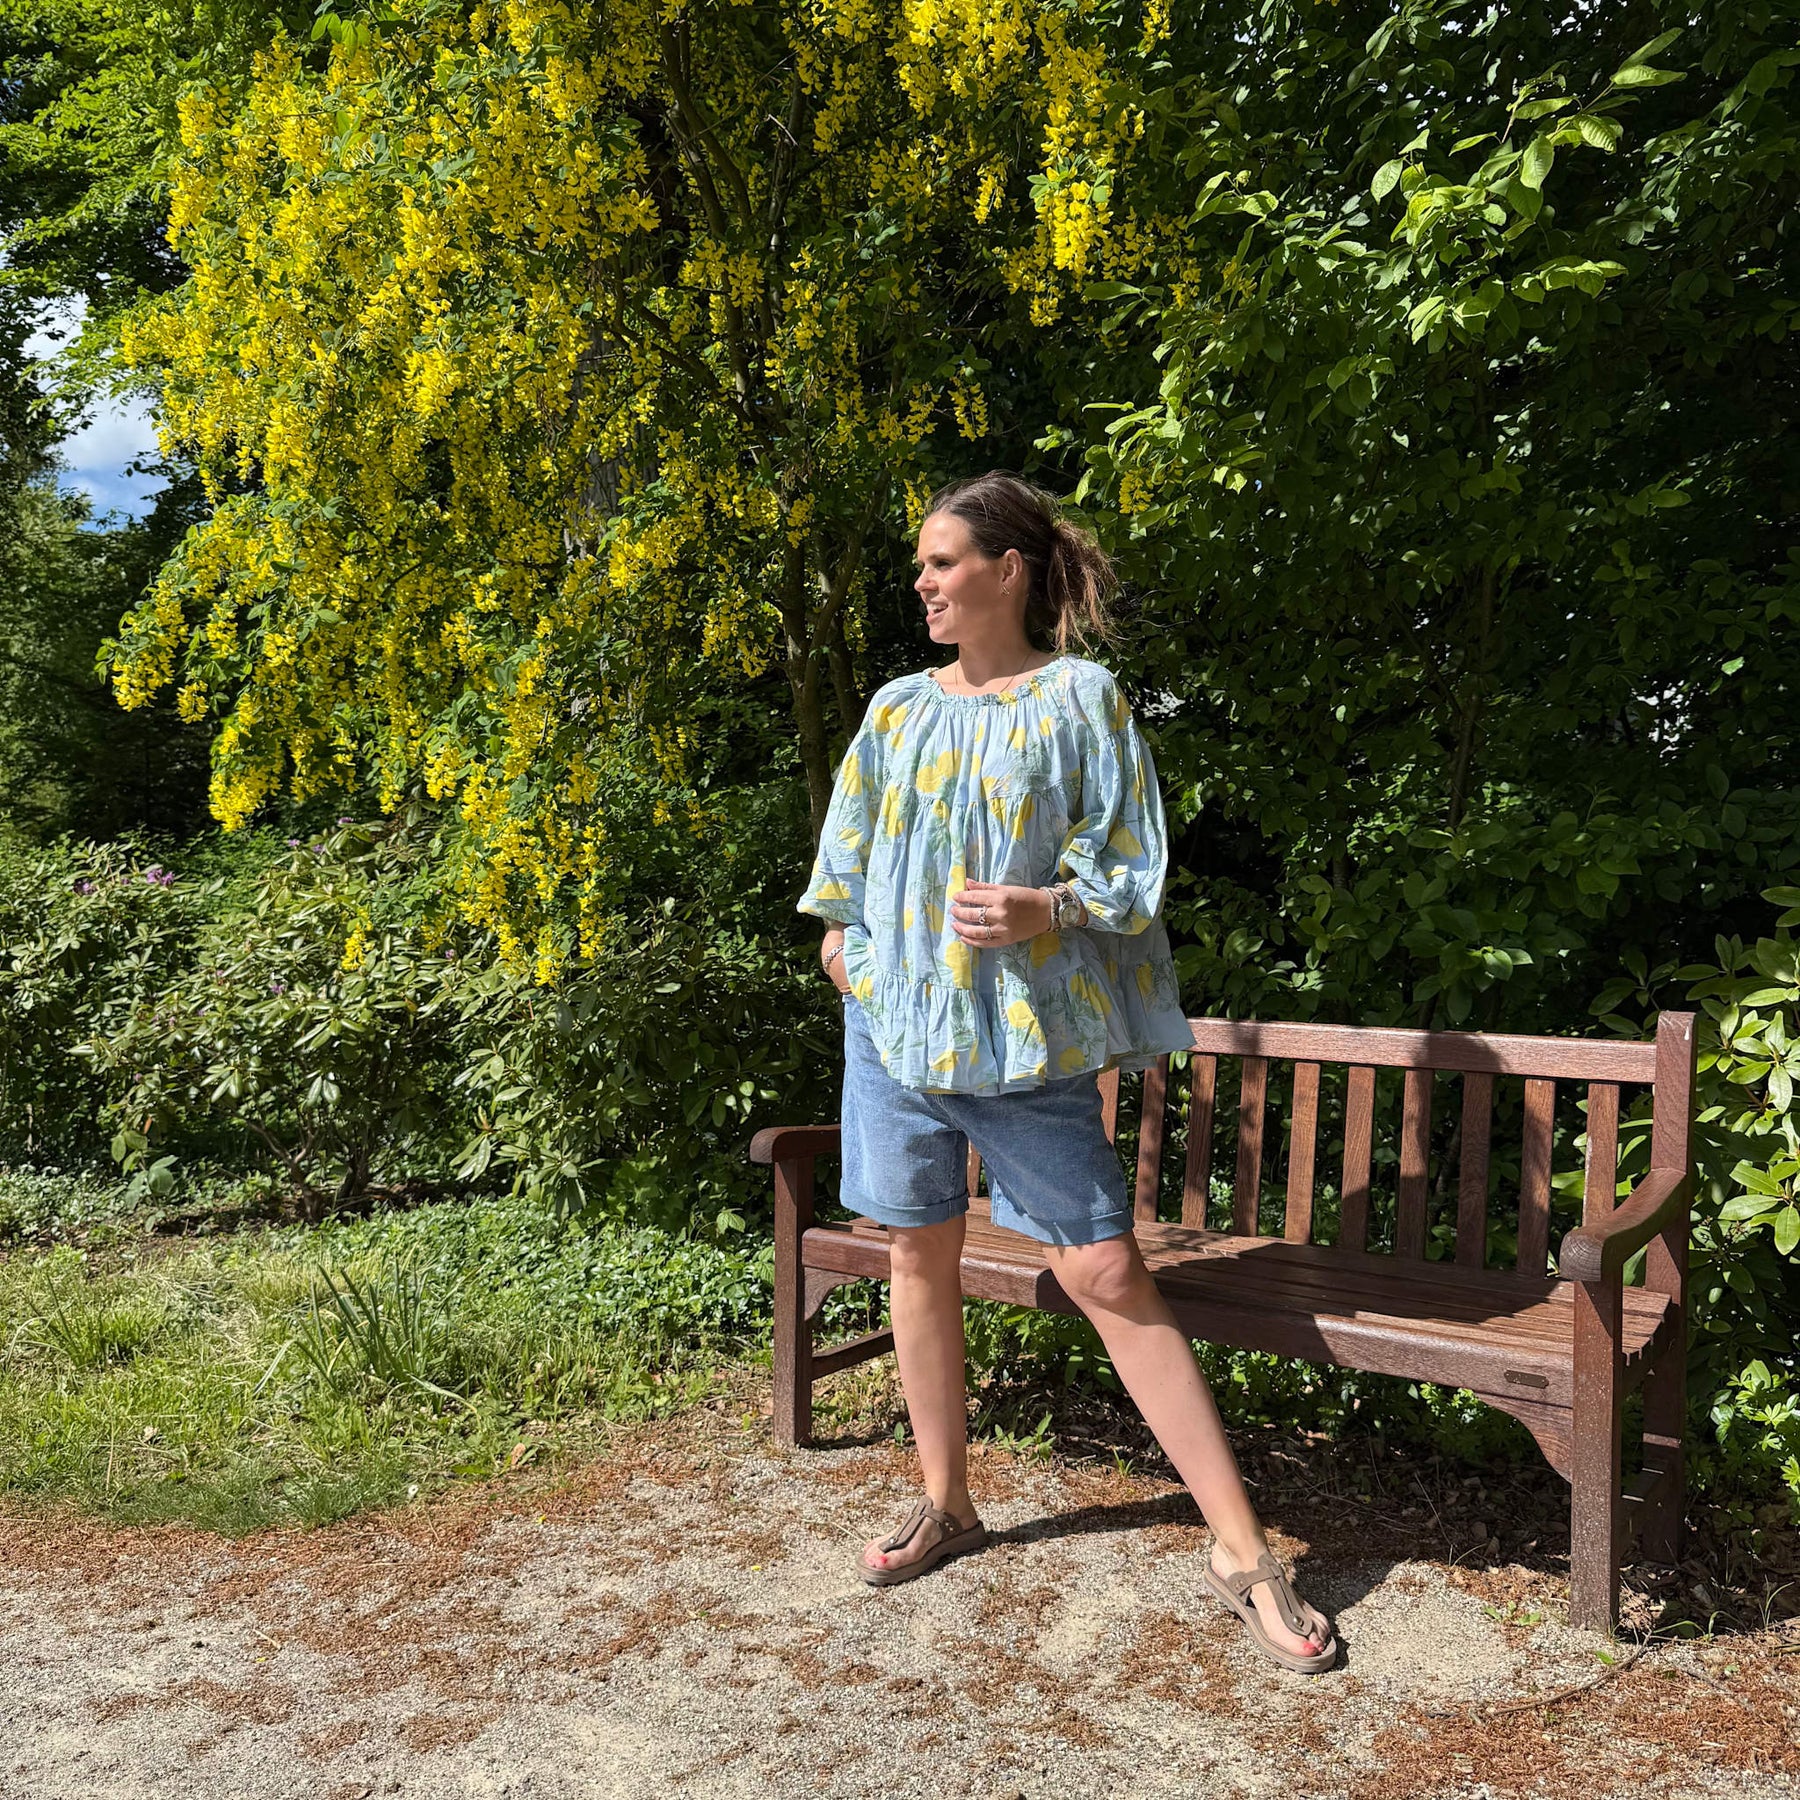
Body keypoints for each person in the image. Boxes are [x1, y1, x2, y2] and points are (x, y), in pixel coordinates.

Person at [797, 472, 1337, 1674]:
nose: (924, 583)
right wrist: (845, 958)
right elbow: (844, 865)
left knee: (1103, 1268)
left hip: (1025, 1046)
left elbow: (1133, 871)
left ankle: (1243, 1550)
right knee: (916, 1254)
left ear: (1010, 569)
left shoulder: (1082, 699)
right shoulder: (895, 708)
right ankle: (947, 1500)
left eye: (944, 561)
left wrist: (1047, 906)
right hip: (893, 1038)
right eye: (922, 565)